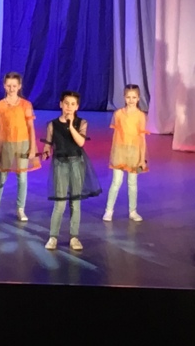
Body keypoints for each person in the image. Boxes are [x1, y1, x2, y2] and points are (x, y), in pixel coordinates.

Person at [42, 91, 101, 250]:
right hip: (60, 164)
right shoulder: (52, 125)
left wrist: (70, 126)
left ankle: (74, 237)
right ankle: (53, 237)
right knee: (60, 203)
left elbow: (81, 142)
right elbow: (48, 143)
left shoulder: (81, 123)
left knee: (75, 202)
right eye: (66, 103)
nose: (69, 107)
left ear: (77, 107)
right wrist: (46, 151)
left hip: (76, 163)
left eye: (72, 104)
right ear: (61, 104)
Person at [0, 71, 39, 222]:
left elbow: (30, 127)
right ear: (4, 86)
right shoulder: (0, 106)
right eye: (9, 85)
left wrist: (32, 148)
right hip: (6, 146)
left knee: (22, 178)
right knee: (2, 177)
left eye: (14, 86)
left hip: (22, 145)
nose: (11, 88)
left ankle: (20, 209)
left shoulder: (26, 105)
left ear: (19, 86)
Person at [103, 83, 148, 222]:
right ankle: (109, 211)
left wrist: (142, 158)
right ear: (124, 97)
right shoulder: (118, 114)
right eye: (128, 97)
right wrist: (114, 153)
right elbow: (116, 135)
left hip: (134, 153)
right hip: (120, 151)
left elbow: (142, 138)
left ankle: (133, 211)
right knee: (116, 182)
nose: (131, 100)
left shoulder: (141, 116)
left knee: (132, 183)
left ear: (138, 98)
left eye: (134, 97)